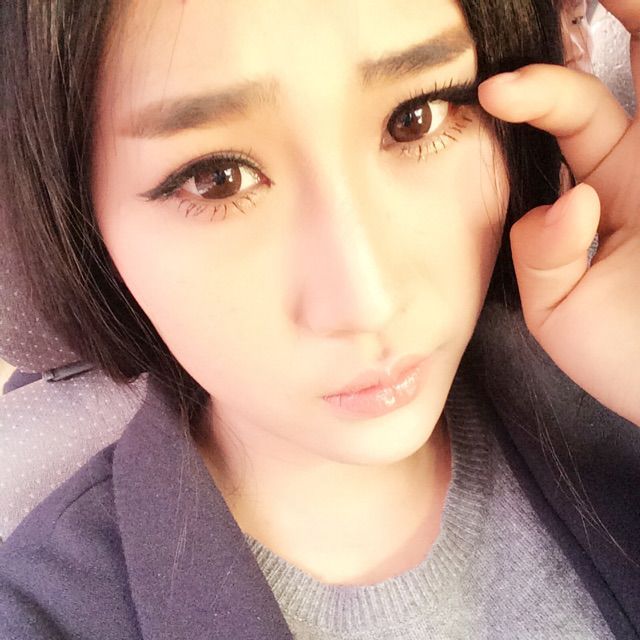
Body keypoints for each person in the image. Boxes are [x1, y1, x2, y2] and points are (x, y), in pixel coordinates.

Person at [0, 0, 639, 638]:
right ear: (80, 219)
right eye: (217, 178)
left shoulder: (608, 373)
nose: (368, 302)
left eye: (415, 119)